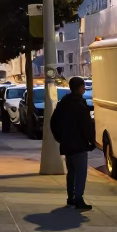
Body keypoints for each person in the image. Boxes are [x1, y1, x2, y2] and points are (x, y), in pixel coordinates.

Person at [49, 76, 96, 210]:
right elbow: (86, 126)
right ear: (80, 88)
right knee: (81, 173)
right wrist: (91, 141)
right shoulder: (80, 105)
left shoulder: (63, 102)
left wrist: (60, 138)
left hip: (67, 144)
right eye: (83, 86)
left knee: (71, 172)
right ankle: (79, 198)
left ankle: (71, 197)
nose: (84, 89)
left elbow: (54, 122)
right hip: (79, 145)